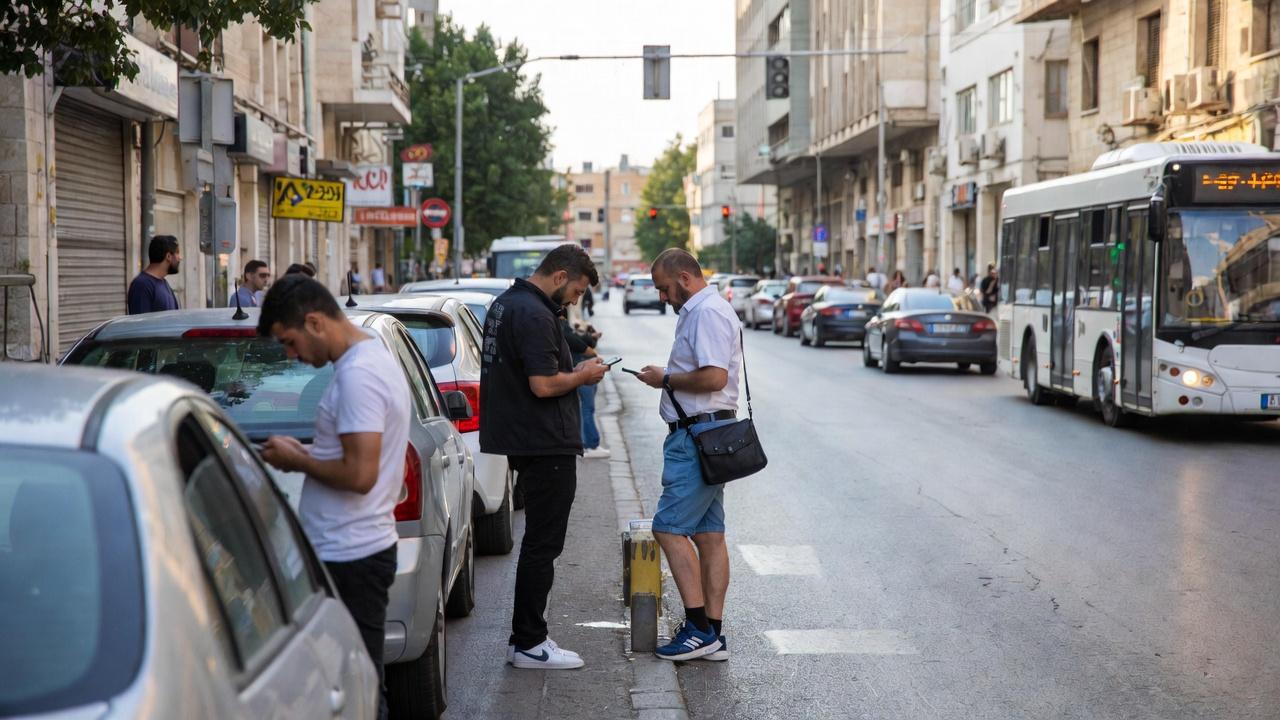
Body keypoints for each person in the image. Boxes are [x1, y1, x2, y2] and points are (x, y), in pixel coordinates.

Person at [256, 275, 410, 720]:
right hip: (351, 550)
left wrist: (296, 461)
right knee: (351, 684)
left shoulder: (359, 375)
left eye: (289, 342)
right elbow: (357, 460)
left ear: (314, 322)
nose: (291, 356)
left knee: (360, 688)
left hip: (351, 555)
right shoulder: (366, 361)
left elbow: (361, 473)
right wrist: (307, 451)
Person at [479, 243, 608, 670]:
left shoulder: (506, 304)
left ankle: (527, 639)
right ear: (559, 276)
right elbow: (543, 384)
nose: (576, 299)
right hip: (544, 442)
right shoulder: (534, 314)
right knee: (542, 545)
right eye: (577, 290)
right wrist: (583, 375)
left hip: (525, 438)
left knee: (538, 543)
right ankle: (530, 642)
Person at [634, 248, 740, 663]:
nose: (662, 296)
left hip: (696, 435)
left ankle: (697, 629)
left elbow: (715, 376)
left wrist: (666, 379)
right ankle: (712, 633)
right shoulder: (705, 310)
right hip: (708, 433)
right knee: (710, 536)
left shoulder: (706, 313)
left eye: (663, 288)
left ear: (684, 277)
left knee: (669, 528)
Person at [562, 317, 608, 459]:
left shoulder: (561, 327)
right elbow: (577, 341)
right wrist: (590, 348)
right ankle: (590, 444)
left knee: (583, 409)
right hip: (581, 368)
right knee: (587, 409)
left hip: (576, 368)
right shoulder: (562, 327)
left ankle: (585, 443)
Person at [127, 235, 181, 314]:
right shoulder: (142, 285)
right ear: (168, 256)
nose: (180, 257)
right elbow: (141, 324)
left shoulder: (164, 283)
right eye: (177, 253)